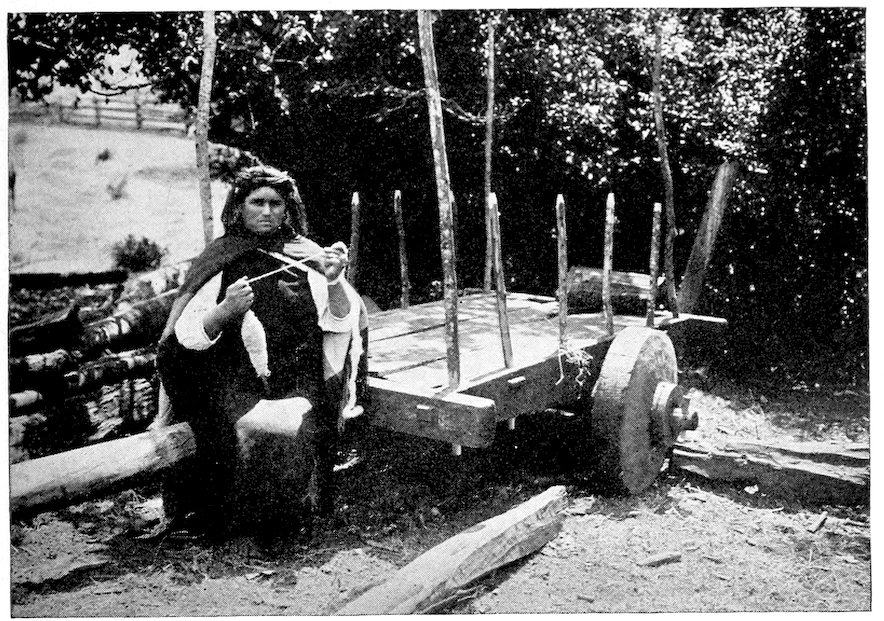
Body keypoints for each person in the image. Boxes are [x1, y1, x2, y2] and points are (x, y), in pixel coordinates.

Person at [155, 165, 368, 542]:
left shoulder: (308, 256)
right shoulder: (220, 257)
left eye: (276, 203)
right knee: (224, 428)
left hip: (294, 376)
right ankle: (216, 515)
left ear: (288, 209)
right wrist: (224, 311)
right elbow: (184, 338)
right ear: (239, 207)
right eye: (257, 202)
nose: (267, 211)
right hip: (231, 376)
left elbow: (339, 321)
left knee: (293, 432)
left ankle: (281, 517)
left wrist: (335, 280)